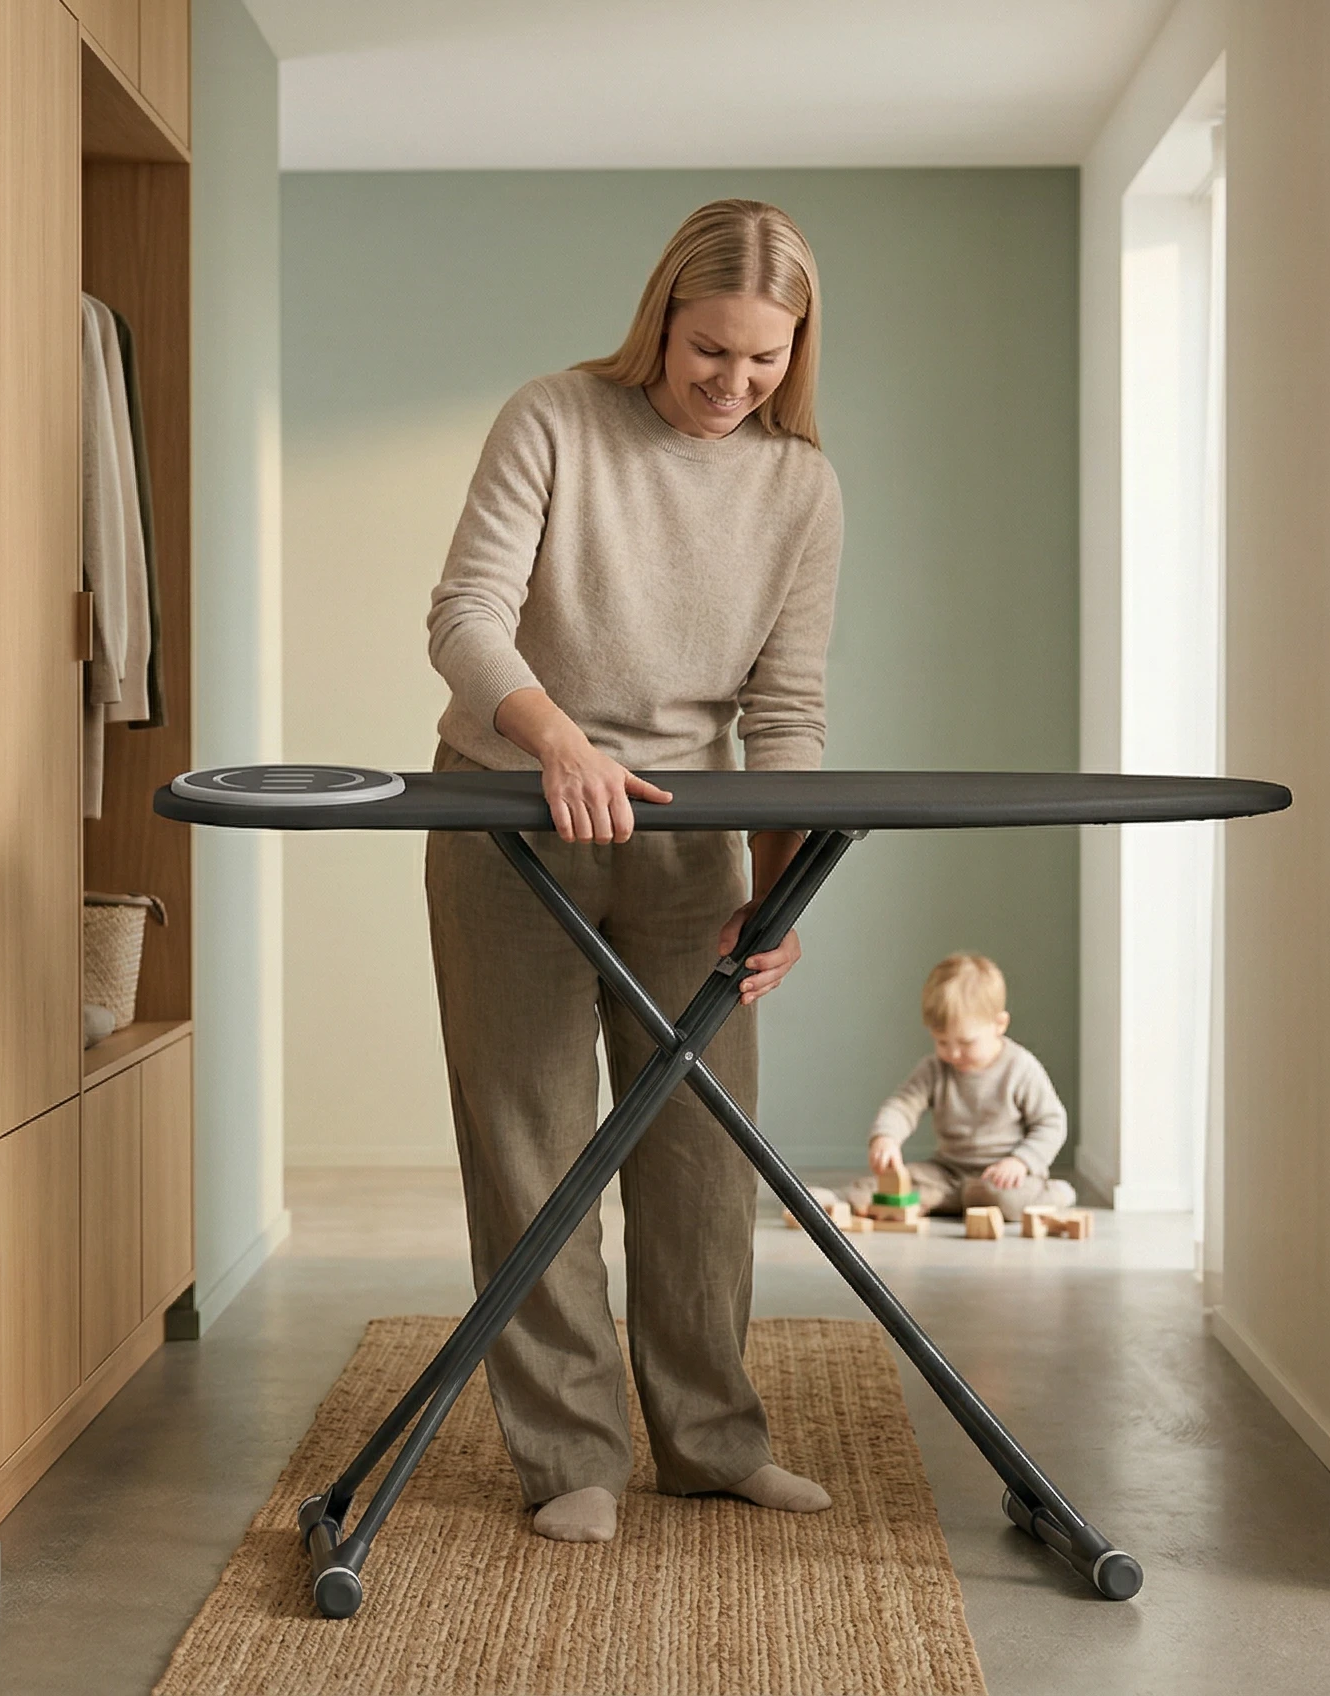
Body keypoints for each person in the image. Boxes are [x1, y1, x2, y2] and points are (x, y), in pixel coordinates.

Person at [423, 200, 843, 1545]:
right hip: (511, 817)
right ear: (661, 320)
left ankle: (713, 1443)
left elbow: (787, 712)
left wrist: (778, 895)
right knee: (532, 1146)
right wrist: (554, 740)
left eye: (765, 359)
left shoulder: (800, 489)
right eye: (710, 349)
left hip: (687, 842)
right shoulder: (554, 419)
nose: (732, 383)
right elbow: (465, 615)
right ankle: (569, 1458)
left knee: (703, 1149)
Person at [852, 954, 1076, 1220]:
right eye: (942, 1042)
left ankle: (1055, 1193)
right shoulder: (935, 1068)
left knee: (1007, 1200)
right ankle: (827, 1205)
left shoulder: (1020, 1068)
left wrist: (1021, 1161)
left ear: (999, 1025)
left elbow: (1052, 1123)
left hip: (1003, 1175)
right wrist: (886, 1137)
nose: (954, 1054)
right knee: (889, 1186)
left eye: (966, 1043)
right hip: (948, 1171)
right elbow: (902, 1105)